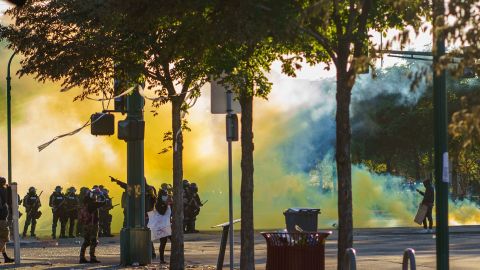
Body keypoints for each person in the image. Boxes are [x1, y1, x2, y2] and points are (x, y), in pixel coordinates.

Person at [78, 187, 106, 263]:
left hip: (86, 225)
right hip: (93, 225)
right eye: (95, 195)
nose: (96, 197)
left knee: (86, 241)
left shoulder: (85, 203)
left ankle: (81, 257)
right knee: (93, 241)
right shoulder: (93, 204)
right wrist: (101, 194)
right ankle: (92, 257)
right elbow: (104, 202)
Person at [149, 183, 172, 264]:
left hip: (166, 224)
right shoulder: (159, 203)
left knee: (168, 241)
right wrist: (166, 204)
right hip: (162, 225)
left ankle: (163, 259)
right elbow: (162, 212)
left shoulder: (165, 203)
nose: (169, 198)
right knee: (163, 242)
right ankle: (161, 259)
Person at [0, 177, 14, 263]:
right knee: (4, 238)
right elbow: (10, 200)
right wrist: (9, 188)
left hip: (2, 218)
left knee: (1, 238)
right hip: (1, 219)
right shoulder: (3, 190)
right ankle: (6, 258)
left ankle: (5, 257)